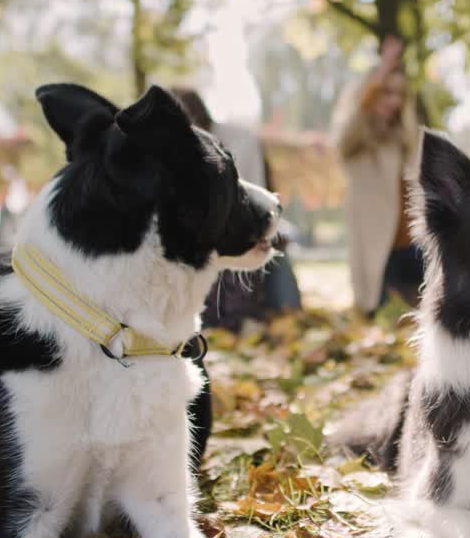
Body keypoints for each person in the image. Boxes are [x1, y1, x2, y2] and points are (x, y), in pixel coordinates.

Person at [170, 87, 302, 331]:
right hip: (220, 231)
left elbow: (253, 196)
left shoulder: (239, 141)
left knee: (276, 245)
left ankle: (281, 313)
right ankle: (269, 315)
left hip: (250, 219)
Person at [330, 37, 421, 313]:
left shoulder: (404, 138)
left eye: (399, 95)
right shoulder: (355, 139)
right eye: (386, 92)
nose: (393, 101)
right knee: (380, 312)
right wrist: (383, 67)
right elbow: (360, 106)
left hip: (410, 242)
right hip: (378, 246)